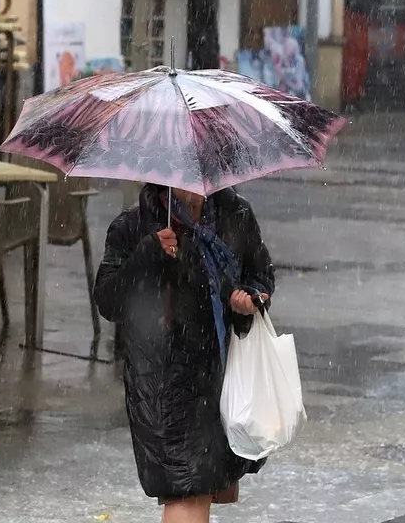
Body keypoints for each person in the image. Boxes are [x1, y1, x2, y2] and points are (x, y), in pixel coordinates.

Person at [95, 183, 276, 523]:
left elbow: (260, 273)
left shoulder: (234, 215)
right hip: (165, 385)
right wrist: (148, 256)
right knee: (188, 490)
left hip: (221, 377)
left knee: (205, 487)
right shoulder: (133, 227)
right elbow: (109, 300)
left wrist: (249, 297)